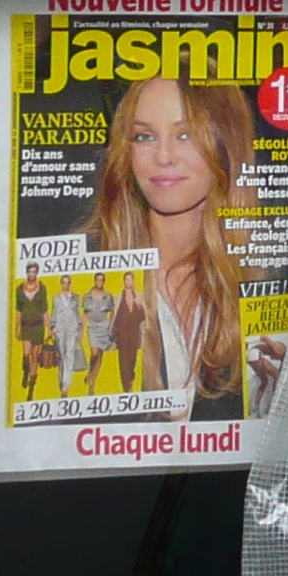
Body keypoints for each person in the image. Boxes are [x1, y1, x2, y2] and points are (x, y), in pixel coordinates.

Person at [84, 76, 255, 420]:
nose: (163, 156)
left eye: (186, 134)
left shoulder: (266, 271)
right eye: (144, 137)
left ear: (227, 144)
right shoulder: (87, 269)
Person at [13, 263, 51, 398]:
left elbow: (44, 310)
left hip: (38, 326)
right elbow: (19, 311)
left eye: (34, 272)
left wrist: (49, 328)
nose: (31, 274)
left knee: (35, 356)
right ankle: (25, 370)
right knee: (26, 353)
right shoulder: (20, 289)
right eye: (29, 272)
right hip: (26, 325)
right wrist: (16, 329)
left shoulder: (42, 289)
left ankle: (31, 386)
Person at [49, 273, 90, 398]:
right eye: (64, 282)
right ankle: (61, 381)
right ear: (61, 284)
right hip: (60, 330)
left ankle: (65, 386)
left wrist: (80, 329)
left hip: (72, 329)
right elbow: (54, 314)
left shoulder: (76, 298)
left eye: (68, 282)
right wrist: (52, 329)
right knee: (61, 356)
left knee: (70, 356)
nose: (66, 285)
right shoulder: (56, 298)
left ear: (70, 284)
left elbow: (78, 314)